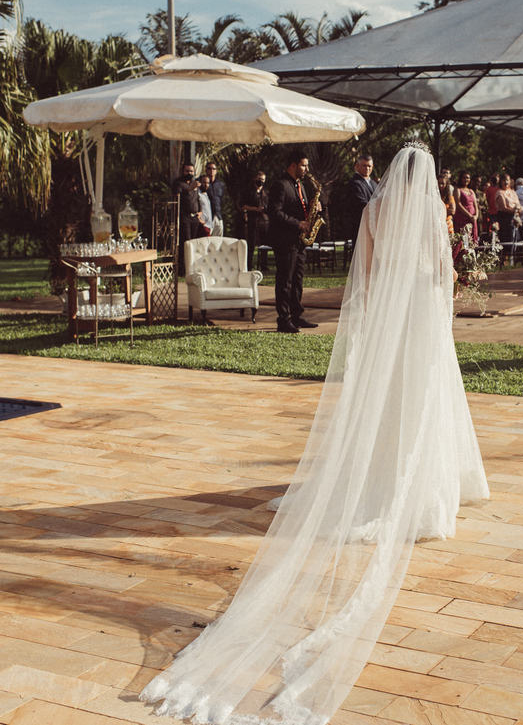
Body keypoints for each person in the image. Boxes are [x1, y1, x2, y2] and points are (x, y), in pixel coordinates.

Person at [141, 144, 489, 725]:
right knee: (424, 399)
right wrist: (444, 309)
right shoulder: (432, 211)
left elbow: (370, 274)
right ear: (425, 177)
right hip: (424, 318)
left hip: (389, 320)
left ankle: (384, 475)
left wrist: (380, 322)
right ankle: (426, 484)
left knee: (389, 403)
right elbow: (442, 271)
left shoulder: (376, 212)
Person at [267, 151, 317, 333]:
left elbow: (300, 209)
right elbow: (274, 212)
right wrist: (298, 224)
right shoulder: (280, 185)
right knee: (285, 281)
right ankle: (284, 319)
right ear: (293, 165)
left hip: (298, 241)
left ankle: (296, 315)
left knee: (297, 280)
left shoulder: (300, 186)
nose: (306, 169)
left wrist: (315, 206)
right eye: (304, 165)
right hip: (284, 240)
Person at [336, 155, 377, 244]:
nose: (367, 168)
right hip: (360, 227)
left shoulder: (374, 183)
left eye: (369, 166)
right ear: (357, 166)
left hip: (374, 227)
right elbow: (361, 204)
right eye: (364, 165)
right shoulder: (354, 183)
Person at [172, 161, 200, 272]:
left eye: (191, 171)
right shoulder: (178, 183)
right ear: (183, 171)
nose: (189, 173)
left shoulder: (195, 183)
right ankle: (183, 269)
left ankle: (192, 267)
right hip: (184, 216)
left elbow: (197, 199)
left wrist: (200, 212)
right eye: (187, 171)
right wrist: (189, 189)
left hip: (195, 217)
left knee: (194, 242)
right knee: (186, 242)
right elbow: (176, 197)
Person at [240, 170, 270, 270]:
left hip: (264, 221)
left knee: (264, 244)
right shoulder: (248, 192)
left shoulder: (265, 193)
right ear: (255, 179)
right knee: (251, 245)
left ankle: (264, 265)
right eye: (259, 179)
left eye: (263, 180)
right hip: (252, 220)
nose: (261, 181)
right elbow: (243, 206)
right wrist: (255, 209)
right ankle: (249, 265)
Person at [452, 171, 479, 243]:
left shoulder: (471, 191)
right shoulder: (457, 189)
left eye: (468, 178)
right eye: (464, 178)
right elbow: (458, 204)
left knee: (472, 239)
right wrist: (469, 215)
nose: (466, 179)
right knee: (463, 239)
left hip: (472, 219)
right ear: (460, 179)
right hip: (462, 218)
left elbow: (475, 205)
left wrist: (476, 216)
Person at [202, 161, 227, 236]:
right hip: (206, 217)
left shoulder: (220, 184)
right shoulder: (201, 182)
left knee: (218, 242)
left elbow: (222, 200)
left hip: (218, 217)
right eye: (209, 168)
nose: (211, 170)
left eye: (213, 169)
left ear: (216, 171)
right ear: (206, 170)